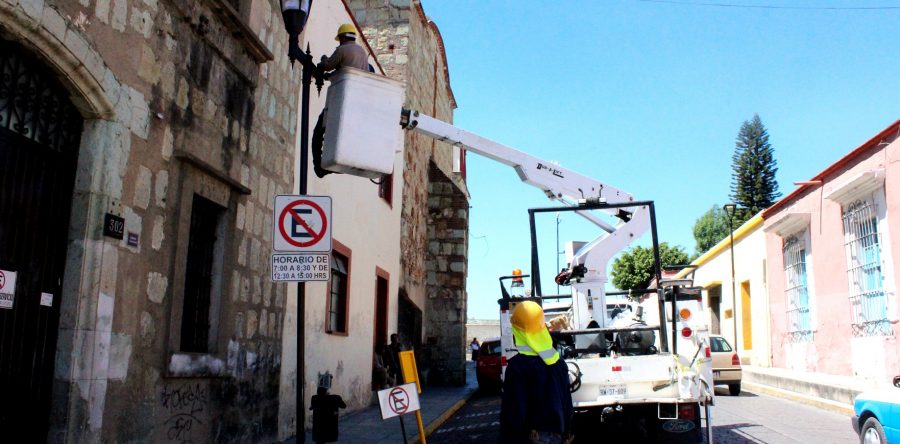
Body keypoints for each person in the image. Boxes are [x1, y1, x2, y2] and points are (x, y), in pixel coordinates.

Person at [500, 301, 573, 444]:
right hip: (557, 436)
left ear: (517, 332)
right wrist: (567, 433)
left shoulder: (517, 367)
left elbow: (514, 414)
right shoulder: (558, 362)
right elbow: (567, 404)